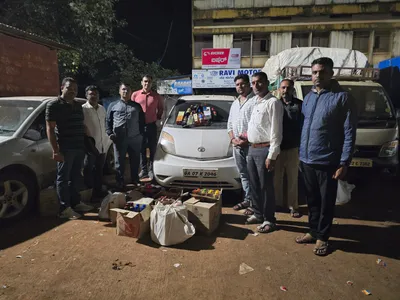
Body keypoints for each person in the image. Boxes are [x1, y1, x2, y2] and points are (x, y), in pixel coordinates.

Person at [295, 57, 357, 256]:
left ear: (331, 73)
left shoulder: (342, 98)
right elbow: (305, 127)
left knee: (325, 201)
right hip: (306, 159)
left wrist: (344, 162)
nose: (317, 76)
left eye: (322, 72)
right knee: (312, 200)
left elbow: (349, 132)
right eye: (314, 72)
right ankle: (313, 231)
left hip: (327, 160)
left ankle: (323, 237)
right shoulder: (309, 97)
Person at [46, 77, 93, 219]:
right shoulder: (53, 105)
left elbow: (82, 125)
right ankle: (64, 208)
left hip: (79, 147)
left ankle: (76, 203)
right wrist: (55, 150)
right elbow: (50, 128)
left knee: (76, 176)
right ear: (62, 88)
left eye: (74, 89)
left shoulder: (78, 105)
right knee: (63, 179)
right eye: (69, 88)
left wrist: (88, 141)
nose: (72, 91)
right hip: (65, 148)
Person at [246, 72, 284, 233]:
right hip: (252, 148)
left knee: (266, 186)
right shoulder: (255, 102)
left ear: (267, 83)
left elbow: (277, 131)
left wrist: (272, 155)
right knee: (254, 184)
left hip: (265, 149)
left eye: (259, 82)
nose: (256, 86)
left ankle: (269, 219)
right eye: (253, 83)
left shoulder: (273, 103)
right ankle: (258, 213)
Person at [107, 83, 145, 190]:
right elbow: (108, 121)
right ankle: (120, 182)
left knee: (135, 160)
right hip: (119, 139)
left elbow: (142, 121)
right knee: (119, 162)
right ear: (119, 91)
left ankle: (135, 179)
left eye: (128, 90)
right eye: (123, 89)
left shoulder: (137, 106)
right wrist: (110, 133)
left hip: (135, 138)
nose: (125, 91)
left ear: (131, 92)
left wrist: (141, 135)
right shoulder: (113, 105)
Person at [273, 79, 302, 218]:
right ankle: (277, 204)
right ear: (279, 89)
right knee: (276, 179)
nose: (285, 91)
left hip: (293, 148)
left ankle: (293, 206)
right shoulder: (274, 104)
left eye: (288, 88)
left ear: (292, 90)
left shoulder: (300, 105)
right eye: (283, 88)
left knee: (292, 179)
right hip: (276, 149)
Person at [227, 74, 255, 216]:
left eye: (243, 84)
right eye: (237, 84)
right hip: (237, 146)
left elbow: (257, 125)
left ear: (249, 85)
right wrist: (233, 139)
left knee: (253, 175)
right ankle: (247, 200)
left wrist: (246, 140)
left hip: (251, 145)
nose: (240, 87)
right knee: (243, 174)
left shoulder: (255, 101)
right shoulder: (234, 103)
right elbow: (230, 125)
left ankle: (255, 204)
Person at [131, 75, 164, 180]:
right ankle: (144, 170)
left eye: (149, 81)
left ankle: (151, 170)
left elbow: (161, 109)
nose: (147, 83)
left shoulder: (156, 96)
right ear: (141, 82)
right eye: (145, 81)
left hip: (151, 126)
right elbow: (131, 108)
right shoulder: (135, 95)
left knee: (152, 149)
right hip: (139, 126)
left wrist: (156, 118)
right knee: (141, 149)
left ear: (151, 83)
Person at [82, 85, 110, 199]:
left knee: (99, 170)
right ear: (86, 95)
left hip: (102, 144)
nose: (93, 96)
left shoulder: (102, 108)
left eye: (95, 94)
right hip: (90, 146)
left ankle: (98, 191)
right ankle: (90, 193)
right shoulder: (83, 109)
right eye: (91, 94)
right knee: (88, 170)